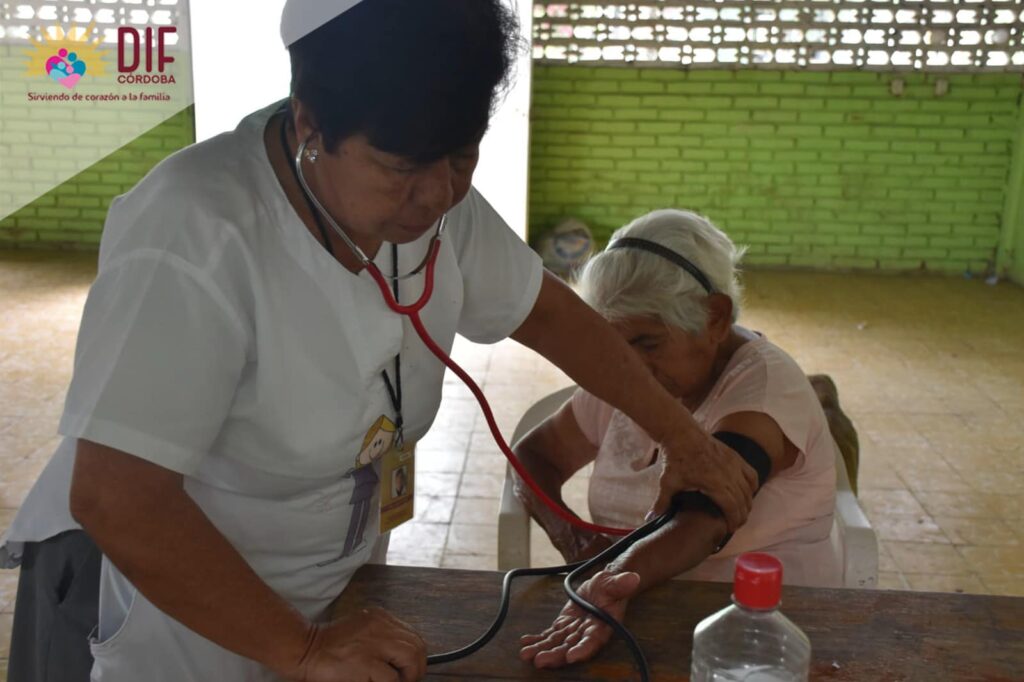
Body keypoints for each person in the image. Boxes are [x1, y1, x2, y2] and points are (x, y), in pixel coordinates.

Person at [0, 3, 758, 681]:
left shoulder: (430, 196)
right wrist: (300, 649)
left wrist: (682, 439)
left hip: (340, 587)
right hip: (186, 608)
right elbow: (117, 497)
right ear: (308, 127)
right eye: (401, 169)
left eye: (462, 159)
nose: (437, 197)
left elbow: (547, 311)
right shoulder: (193, 236)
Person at [513, 209, 847, 671]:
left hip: (766, 638)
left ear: (713, 318)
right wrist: (573, 537)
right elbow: (535, 455)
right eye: (613, 344)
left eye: (649, 343)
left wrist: (612, 575)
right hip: (637, 610)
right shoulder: (621, 376)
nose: (630, 369)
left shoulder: (767, 386)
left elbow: (704, 515)